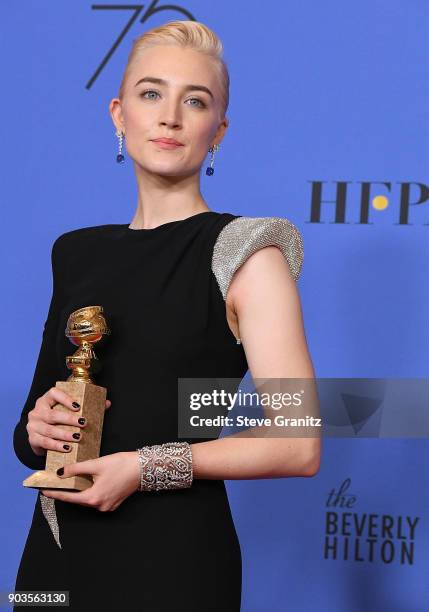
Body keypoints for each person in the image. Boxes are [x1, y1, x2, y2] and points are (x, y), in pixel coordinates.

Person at [13, 20, 320, 611]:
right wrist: (38, 427)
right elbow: (29, 440)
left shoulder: (246, 252)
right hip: (52, 559)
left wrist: (144, 467)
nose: (171, 116)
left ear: (219, 130)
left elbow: (298, 442)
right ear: (118, 114)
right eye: (151, 93)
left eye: (195, 100)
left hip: (172, 561)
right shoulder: (76, 252)